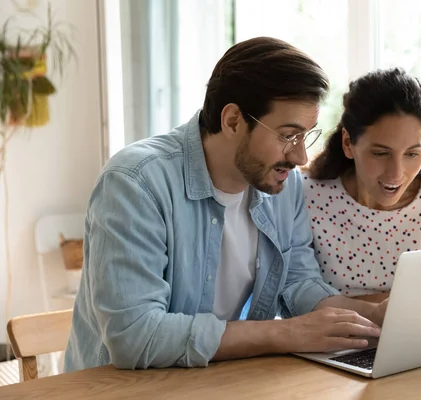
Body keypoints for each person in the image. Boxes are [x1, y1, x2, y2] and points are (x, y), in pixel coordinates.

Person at [64, 37, 387, 372]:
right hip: (121, 390)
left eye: (305, 136)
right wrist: (283, 333)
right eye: (288, 136)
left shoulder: (283, 184)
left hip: (213, 382)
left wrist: (370, 314)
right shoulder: (136, 183)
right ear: (233, 120)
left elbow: (297, 282)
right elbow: (134, 337)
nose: (300, 156)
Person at [302, 68, 421, 303]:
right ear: (348, 143)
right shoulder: (308, 198)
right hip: (331, 340)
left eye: (412, 154)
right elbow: (294, 296)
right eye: (381, 153)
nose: (396, 173)